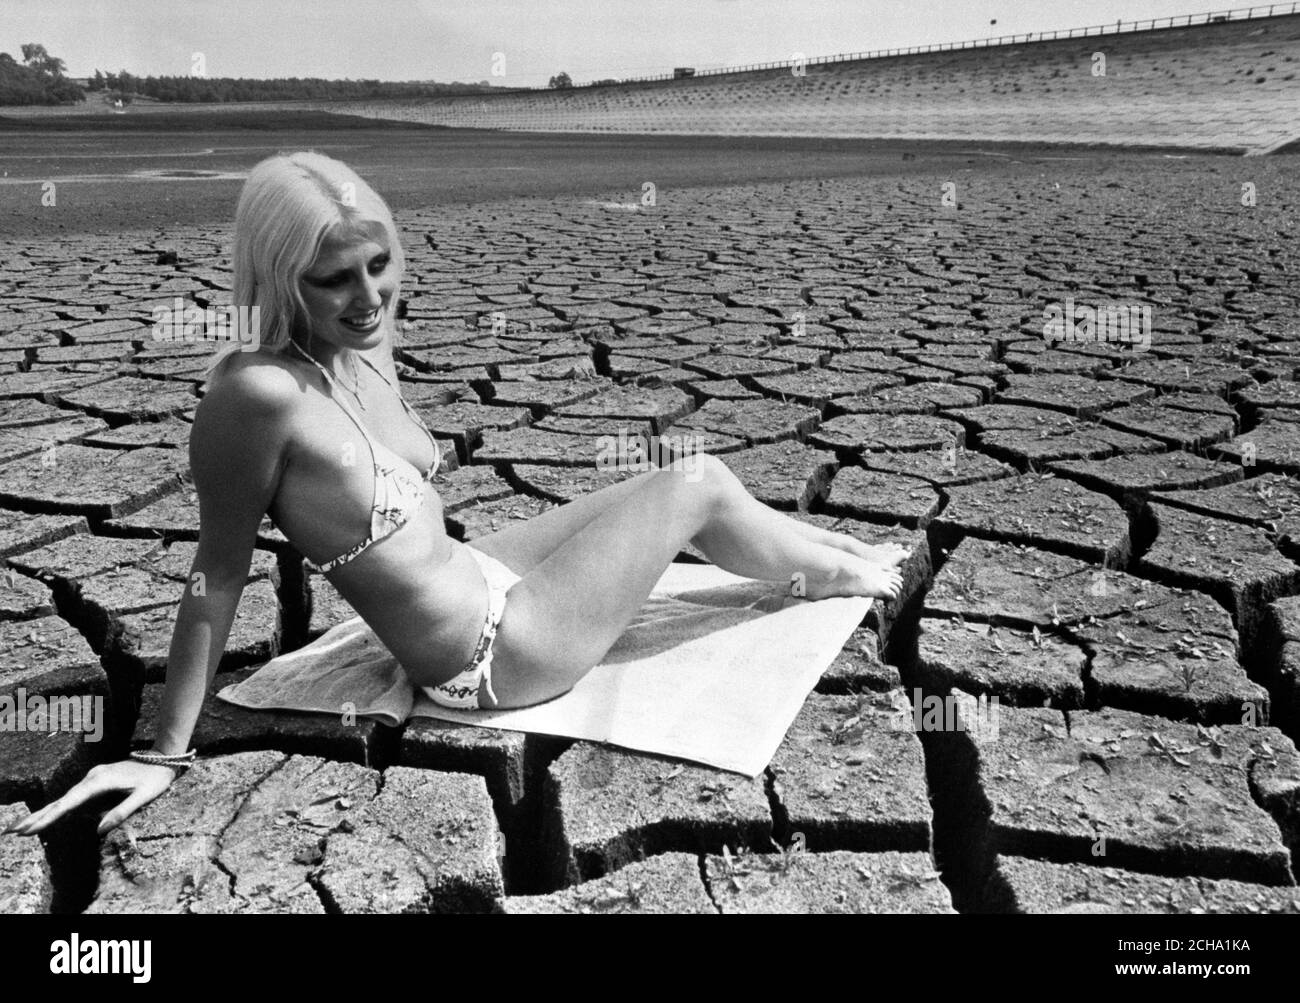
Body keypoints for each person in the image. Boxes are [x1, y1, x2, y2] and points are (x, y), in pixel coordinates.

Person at [5, 151, 906, 839]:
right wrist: (161, 751)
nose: (369, 297)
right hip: (487, 656)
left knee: (678, 472)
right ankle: (836, 575)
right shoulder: (256, 396)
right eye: (334, 279)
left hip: (479, 573)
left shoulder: (359, 340)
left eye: (380, 264)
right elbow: (216, 574)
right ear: (281, 276)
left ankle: (845, 558)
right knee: (695, 483)